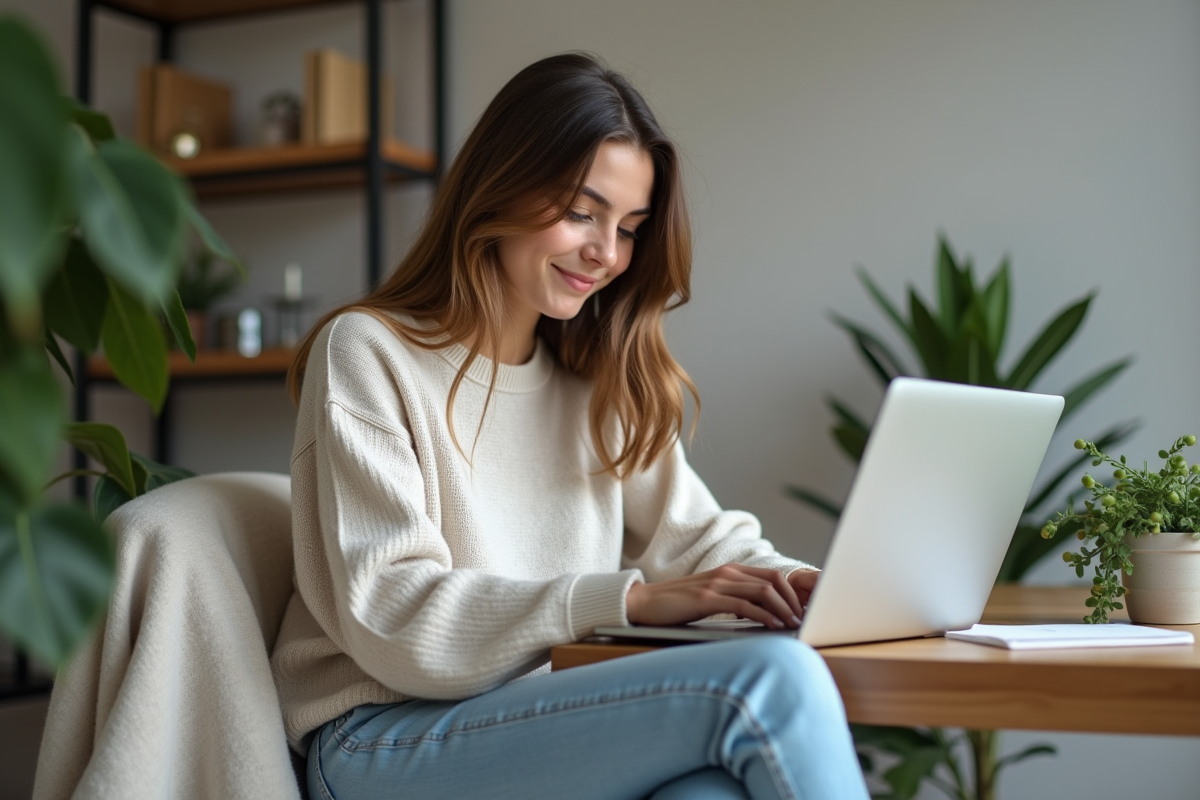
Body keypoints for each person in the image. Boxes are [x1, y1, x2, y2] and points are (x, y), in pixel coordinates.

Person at [270, 52, 869, 800]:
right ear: (501, 186)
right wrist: (630, 600)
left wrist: (805, 586)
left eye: (628, 227)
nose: (607, 254)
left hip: (535, 713)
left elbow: (705, 542)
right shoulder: (370, 352)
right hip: (379, 737)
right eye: (582, 212)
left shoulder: (591, 379)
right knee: (768, 683)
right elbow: (395, 615)